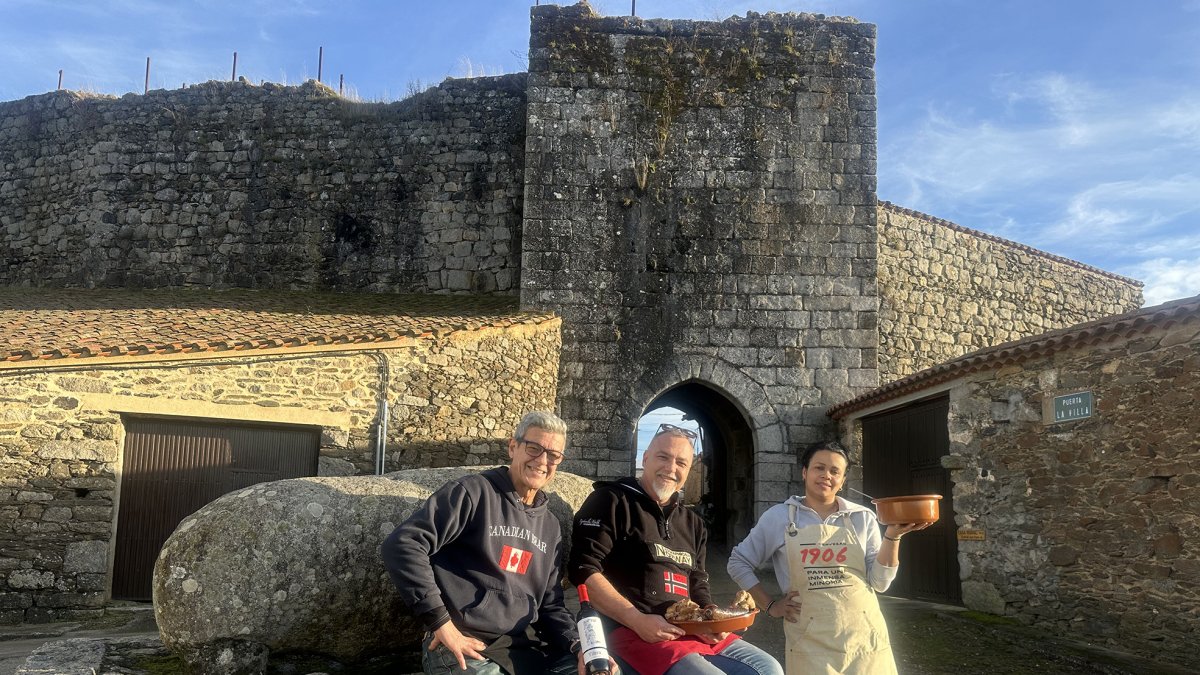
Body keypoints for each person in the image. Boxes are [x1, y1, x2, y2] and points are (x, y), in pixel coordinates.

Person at [569, 423, 783, 675]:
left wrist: (711, 618)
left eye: (681, 463)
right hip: (630, 630)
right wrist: (636, 619)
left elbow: (698, 581)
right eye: (663, 457)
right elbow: (583, 570)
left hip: (690, 629)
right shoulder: (611, 500)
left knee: (769, 668)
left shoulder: (693, 523)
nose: (671, 468)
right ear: (645, 458)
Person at [382, 411, 581, 675]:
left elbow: (550, 605)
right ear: (513, 447)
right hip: (466, 646)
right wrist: (441, 623)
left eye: (553, 455)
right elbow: (404, 544)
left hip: (521, 649)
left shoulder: (550, 525)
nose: (543, 461)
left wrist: (579, 646)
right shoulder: (472, 493)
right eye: (534, 448)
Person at [727, 440, 930, 674]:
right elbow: (738, 562)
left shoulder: (862, 517)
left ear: (842, 481)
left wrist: (893, 537)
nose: (827, 475)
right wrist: (771, 606)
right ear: (805, 472)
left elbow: (880, 583)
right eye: (819, 468)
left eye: (835, 471)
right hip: (809, 639)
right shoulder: (779, 517)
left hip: (864, 637)